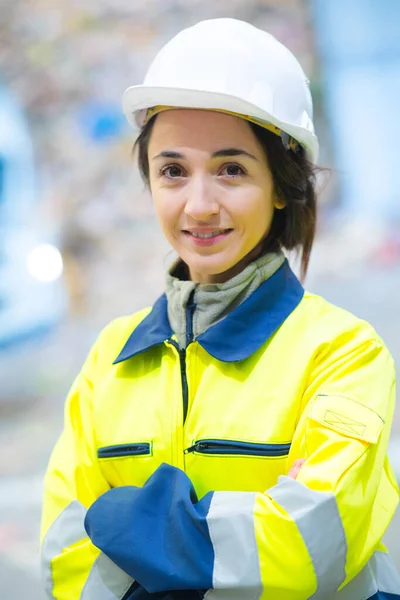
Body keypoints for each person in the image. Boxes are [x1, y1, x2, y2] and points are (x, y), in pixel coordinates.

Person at [40, 17, 400, 600]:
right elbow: (64, 556)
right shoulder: (109, 359)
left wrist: (129, 525)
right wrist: (228, 541)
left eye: (232, 169)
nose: (199, 205)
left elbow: (311, 546)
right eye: (173, 171)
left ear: (282, 184)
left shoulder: (343, 353)